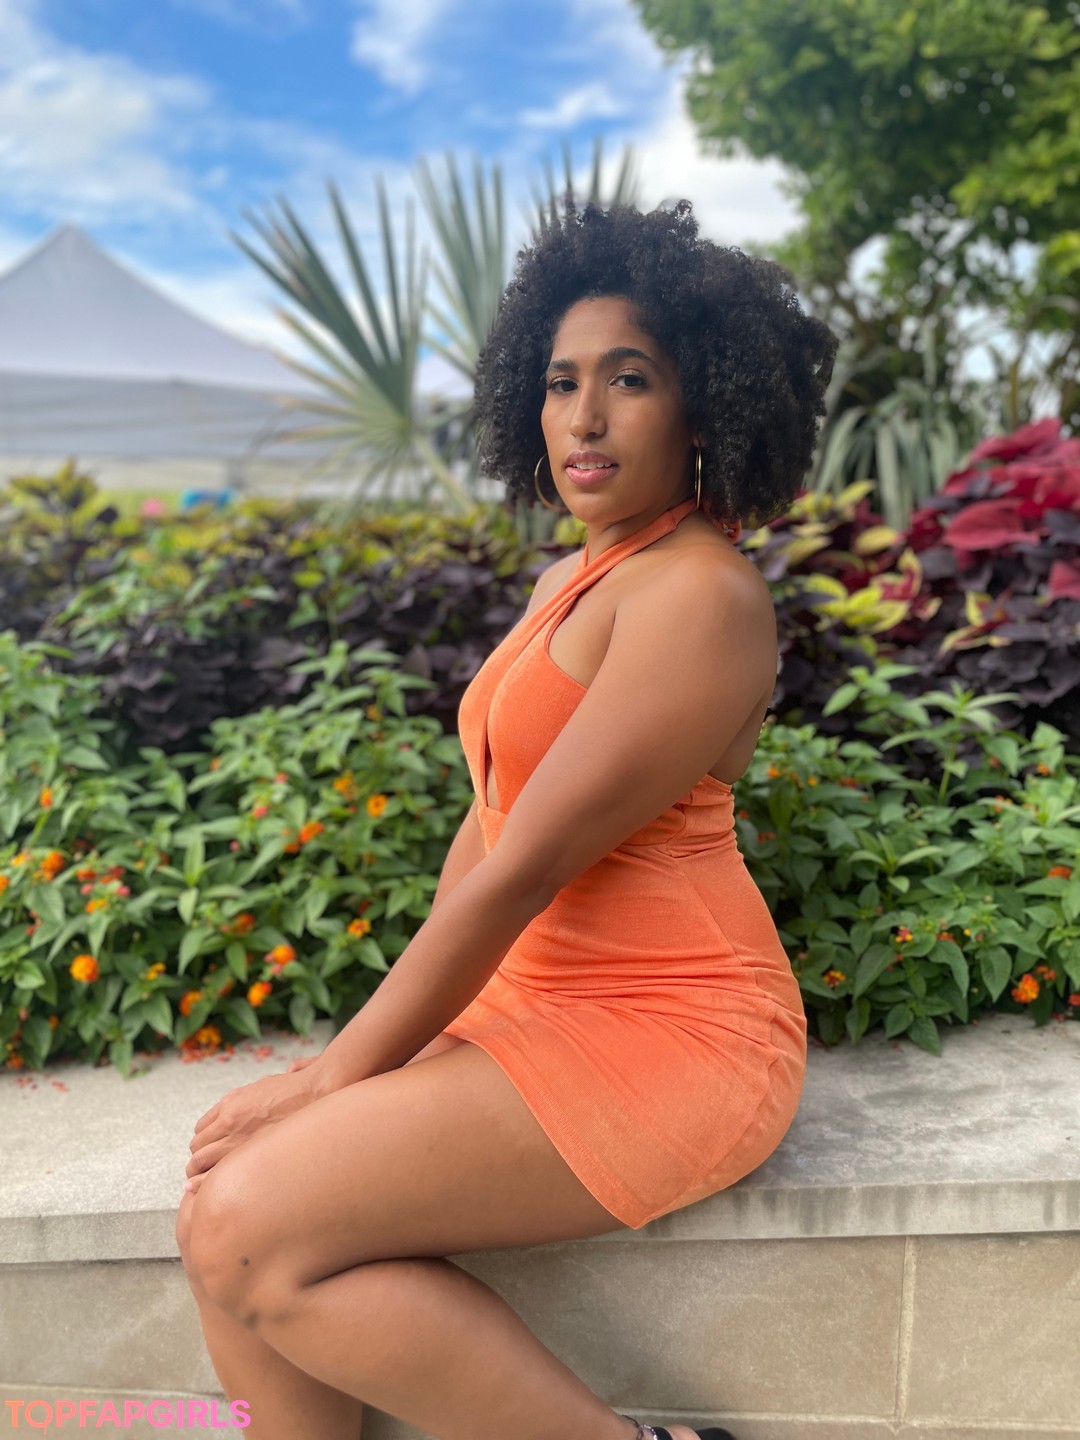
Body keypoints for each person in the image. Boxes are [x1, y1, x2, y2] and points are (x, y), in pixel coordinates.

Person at [175, 197, 838, 1440]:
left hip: (673, 1029)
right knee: (225, 1214)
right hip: (534, 1003)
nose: (583, 417)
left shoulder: (701, 596)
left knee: (247, 1227)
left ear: (703, 408)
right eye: (560, 382)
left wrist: (335, 1073)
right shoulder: (572, 579)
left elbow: (526, 866)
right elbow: (490, 821)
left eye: (628, 380)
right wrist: (400, 1046)